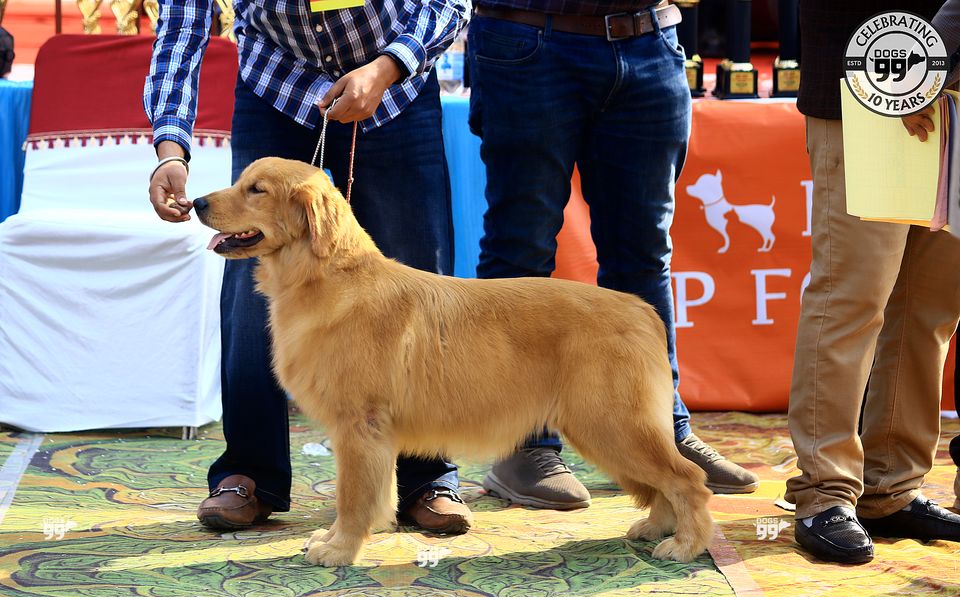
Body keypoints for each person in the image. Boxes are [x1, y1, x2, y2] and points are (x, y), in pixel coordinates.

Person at [144, 0, 473, 535]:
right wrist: (170, 148)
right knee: (251, 292)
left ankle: (426, 477)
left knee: (418, 284)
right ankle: (250, 472)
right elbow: (183, 22)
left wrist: (388, 66)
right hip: (277, 84)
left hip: (394, 86)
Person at [466, 0, 758, 510]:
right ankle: (520, 445)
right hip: (529, 36)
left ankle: (661, 432)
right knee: (519, 253)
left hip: (648, 36)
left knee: (642, 258)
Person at [786, 0, 960, 566]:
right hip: (870, 77)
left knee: (931, 309)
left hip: (949, 89)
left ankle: (892, 488)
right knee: (852, 296)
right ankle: (825, 491)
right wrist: (924, 67)